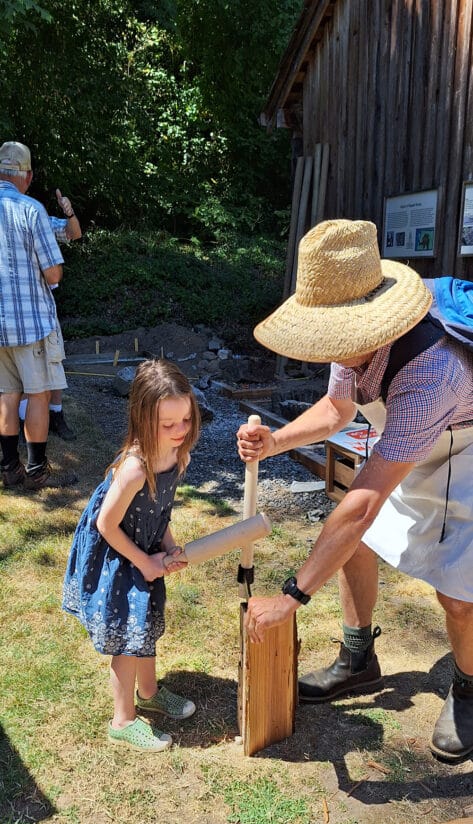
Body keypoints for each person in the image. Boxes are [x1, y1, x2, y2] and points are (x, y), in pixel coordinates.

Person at [237, 219, 473, 765]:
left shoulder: (430, 373)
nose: (329, 352)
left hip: (465, 449)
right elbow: (338, 410)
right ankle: (358, 657)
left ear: (369, 324)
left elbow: (361, 505)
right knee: (357, 546)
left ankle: (467, 688)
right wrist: (275, 440)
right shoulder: (355, 339)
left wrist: (292, 596)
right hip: (411, 440)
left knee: (459, 597)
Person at [62, 359, 200, 752]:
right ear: (142, 418)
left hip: (146, 548)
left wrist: (169, 546)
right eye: (167, 424)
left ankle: (150, 691)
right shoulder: (135, 468)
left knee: (147, 622)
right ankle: (122, 720)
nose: (178, 432)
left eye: (185, 421)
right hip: (119, 553)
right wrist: (144, 560)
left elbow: (162, 510)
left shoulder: (179, 457)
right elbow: (106, 526)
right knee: (127, 635)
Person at [0, 140, 73, 490]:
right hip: (30, 325)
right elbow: (54, 274)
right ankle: (36, 471)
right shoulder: (31, 210)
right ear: (27, 175)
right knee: (39, 394)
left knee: (6, 395)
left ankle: (9, 468)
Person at [18, 188, 82, 441]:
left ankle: (56, 415)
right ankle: (20, 423)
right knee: (17, 373)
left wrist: (70, 212)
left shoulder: (36, 215)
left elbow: (73, 233)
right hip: (12, 307)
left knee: (54, 361)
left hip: (42, 304)